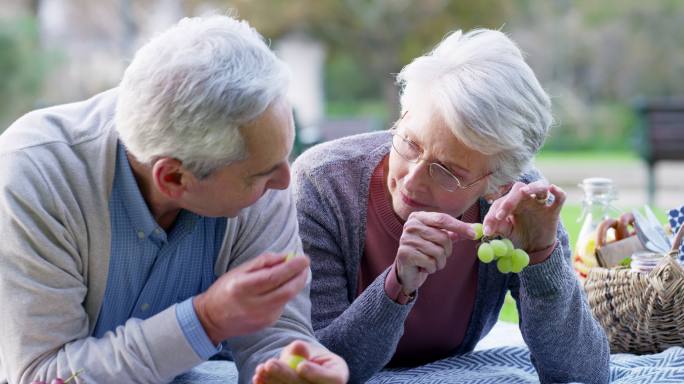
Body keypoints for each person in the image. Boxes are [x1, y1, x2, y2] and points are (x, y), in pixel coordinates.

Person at [0, 15, 348, 384]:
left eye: (285, 155)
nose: (285, 182)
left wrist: (302, 366)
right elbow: (45, 375)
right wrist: (206, 320)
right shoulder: (35, 175)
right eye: (260, 174)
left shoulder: (256, 165)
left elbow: (277, 333)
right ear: (173, 177)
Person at [292, 29, 609, 384]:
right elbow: (313, 367)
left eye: (447, 171)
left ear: (496, 185)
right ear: (403, 114)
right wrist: (397, 284)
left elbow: (585, 373)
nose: (412, 179)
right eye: (409, 144)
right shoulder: (324, 183)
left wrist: (540, 258)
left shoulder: (518, 203)